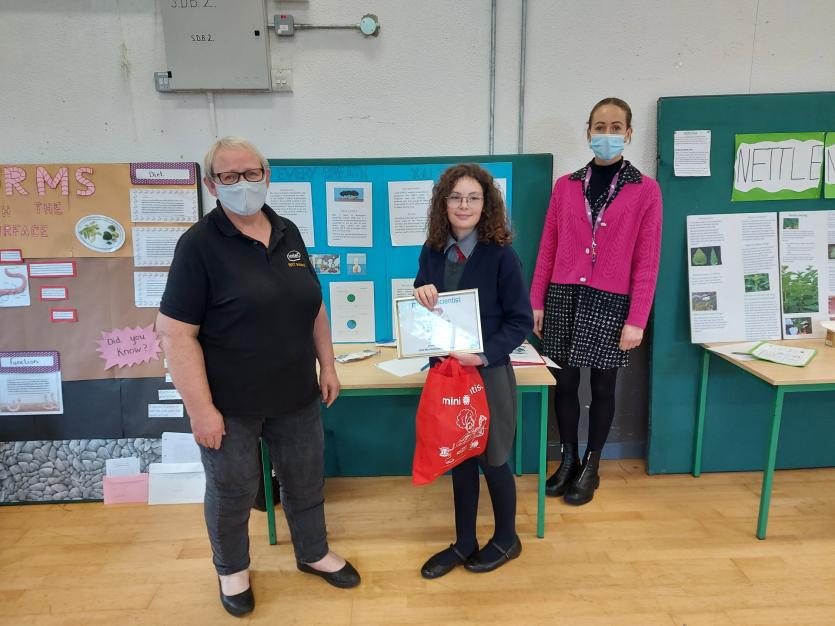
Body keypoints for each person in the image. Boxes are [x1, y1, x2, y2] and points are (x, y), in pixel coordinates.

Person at [156, 137, 360, 618]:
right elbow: (176, 335)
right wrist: (201, 410)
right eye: (229, 177)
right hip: (229, 404)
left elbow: (313, 304)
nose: (243, 184)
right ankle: (232, 570)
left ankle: (313, 553)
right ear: (212, 185)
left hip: (296, 394)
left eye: (251, 173)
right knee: (233, 491)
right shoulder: (198, 246)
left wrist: (328, 364)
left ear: (267, 175)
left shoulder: (288, 232)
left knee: (305, 481)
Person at [530, 97, 662, 506]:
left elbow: (647, 260)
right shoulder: (566, 186)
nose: (607, 134)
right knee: (564, 382)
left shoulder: (645, 190)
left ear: (629, 133)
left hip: (612, 301)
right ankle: (568, 459)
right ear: (588, 132)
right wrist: (537, 301)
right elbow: (548, 247)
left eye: (615, 127)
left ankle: (592, 464)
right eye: (600, 127)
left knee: (604, 385)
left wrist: (637, 318)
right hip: (564, 295)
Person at [413, 163, 533, 578]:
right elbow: (423, 302)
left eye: (473, 198)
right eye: (456, 197)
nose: (464, 205)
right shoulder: (431, 250)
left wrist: (482, 356)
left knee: (493, 457)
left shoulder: (501, 256)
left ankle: (507, 538)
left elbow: (520, 321)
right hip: (447, 373)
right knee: (460, 457)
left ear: (486, 205)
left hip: (488, 372)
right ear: (444, 203)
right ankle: (464, 542)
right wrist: (420, 292)